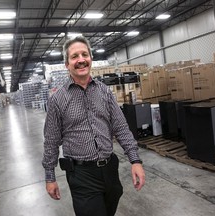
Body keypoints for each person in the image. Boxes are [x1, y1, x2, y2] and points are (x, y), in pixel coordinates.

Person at [42, 36, 145, 216]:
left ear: (91, 59)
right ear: (67, 64)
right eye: (75, 56)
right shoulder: (58, 100)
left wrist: (135, 160)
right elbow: (51, 141)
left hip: (110, 170)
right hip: (81, 175)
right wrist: (50, 177)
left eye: (85, 55)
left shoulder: (104, 91)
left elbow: (120, 127)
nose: (81, 60)